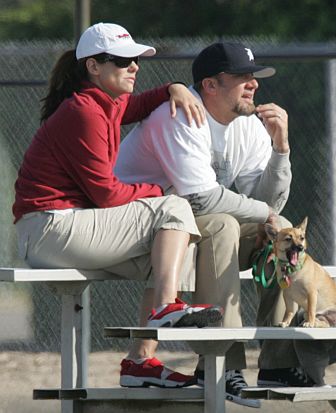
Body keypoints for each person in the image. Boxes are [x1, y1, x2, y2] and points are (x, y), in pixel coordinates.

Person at [12, 23, 224, 389]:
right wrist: (155, 190)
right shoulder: (84, 111)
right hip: (47, 228)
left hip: (62, 227)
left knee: (176, 249)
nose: (134, 67)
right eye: (124, 60)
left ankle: (141, 360)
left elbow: (138, 103)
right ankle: (164, 309)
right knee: (173, 208)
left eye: (136, 59)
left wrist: (172, 88)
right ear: (94, 67)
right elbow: (106, 196)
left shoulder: (103, 102)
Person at [114, 41, 291, 407]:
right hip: (130, 226)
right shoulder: (180, 113)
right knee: (223, 225)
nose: (253, 84)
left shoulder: (247, 126)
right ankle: (222, 363)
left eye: (254, 76)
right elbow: (201, 199)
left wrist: (280, 149)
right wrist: (264, 214)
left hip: (181, 226)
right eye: (242, 76)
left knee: (284, 233)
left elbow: (269, 205)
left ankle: (279, 360)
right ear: (210, 85)